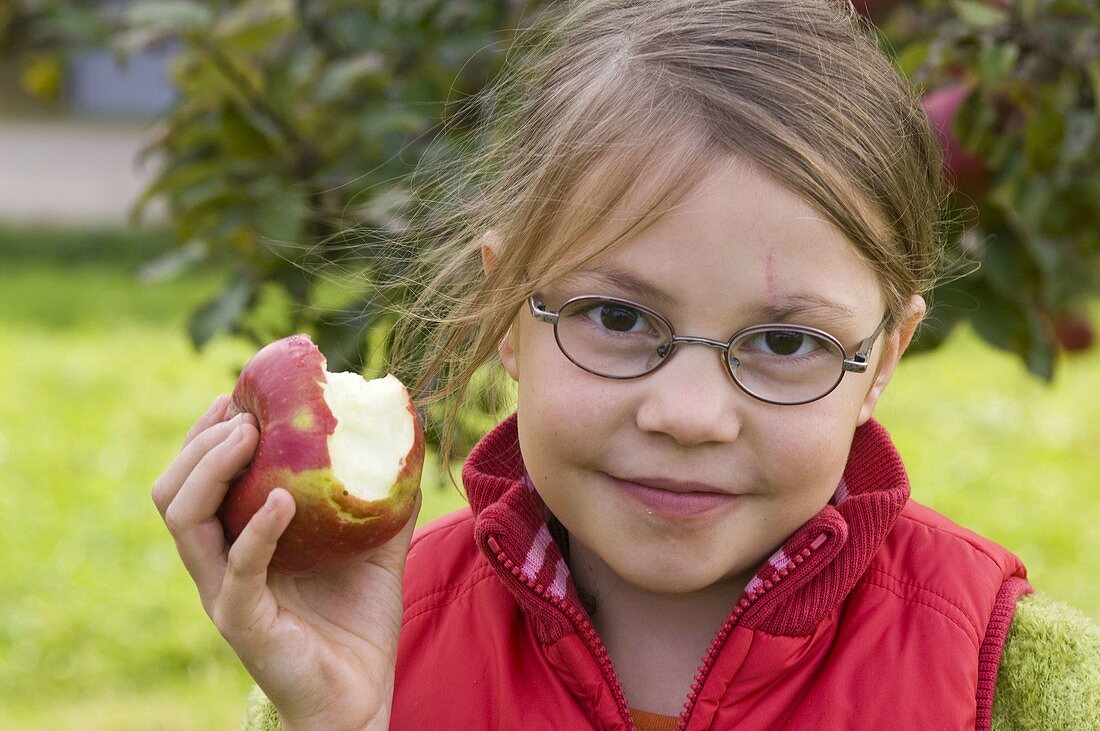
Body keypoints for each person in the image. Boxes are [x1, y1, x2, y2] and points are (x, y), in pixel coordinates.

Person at [151, 0, 1100, 728]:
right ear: (508, 313)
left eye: (784, 342)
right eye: (616, 315)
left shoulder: (1005, 674)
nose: (688, 413)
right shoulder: (391, 645)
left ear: (883, 357)